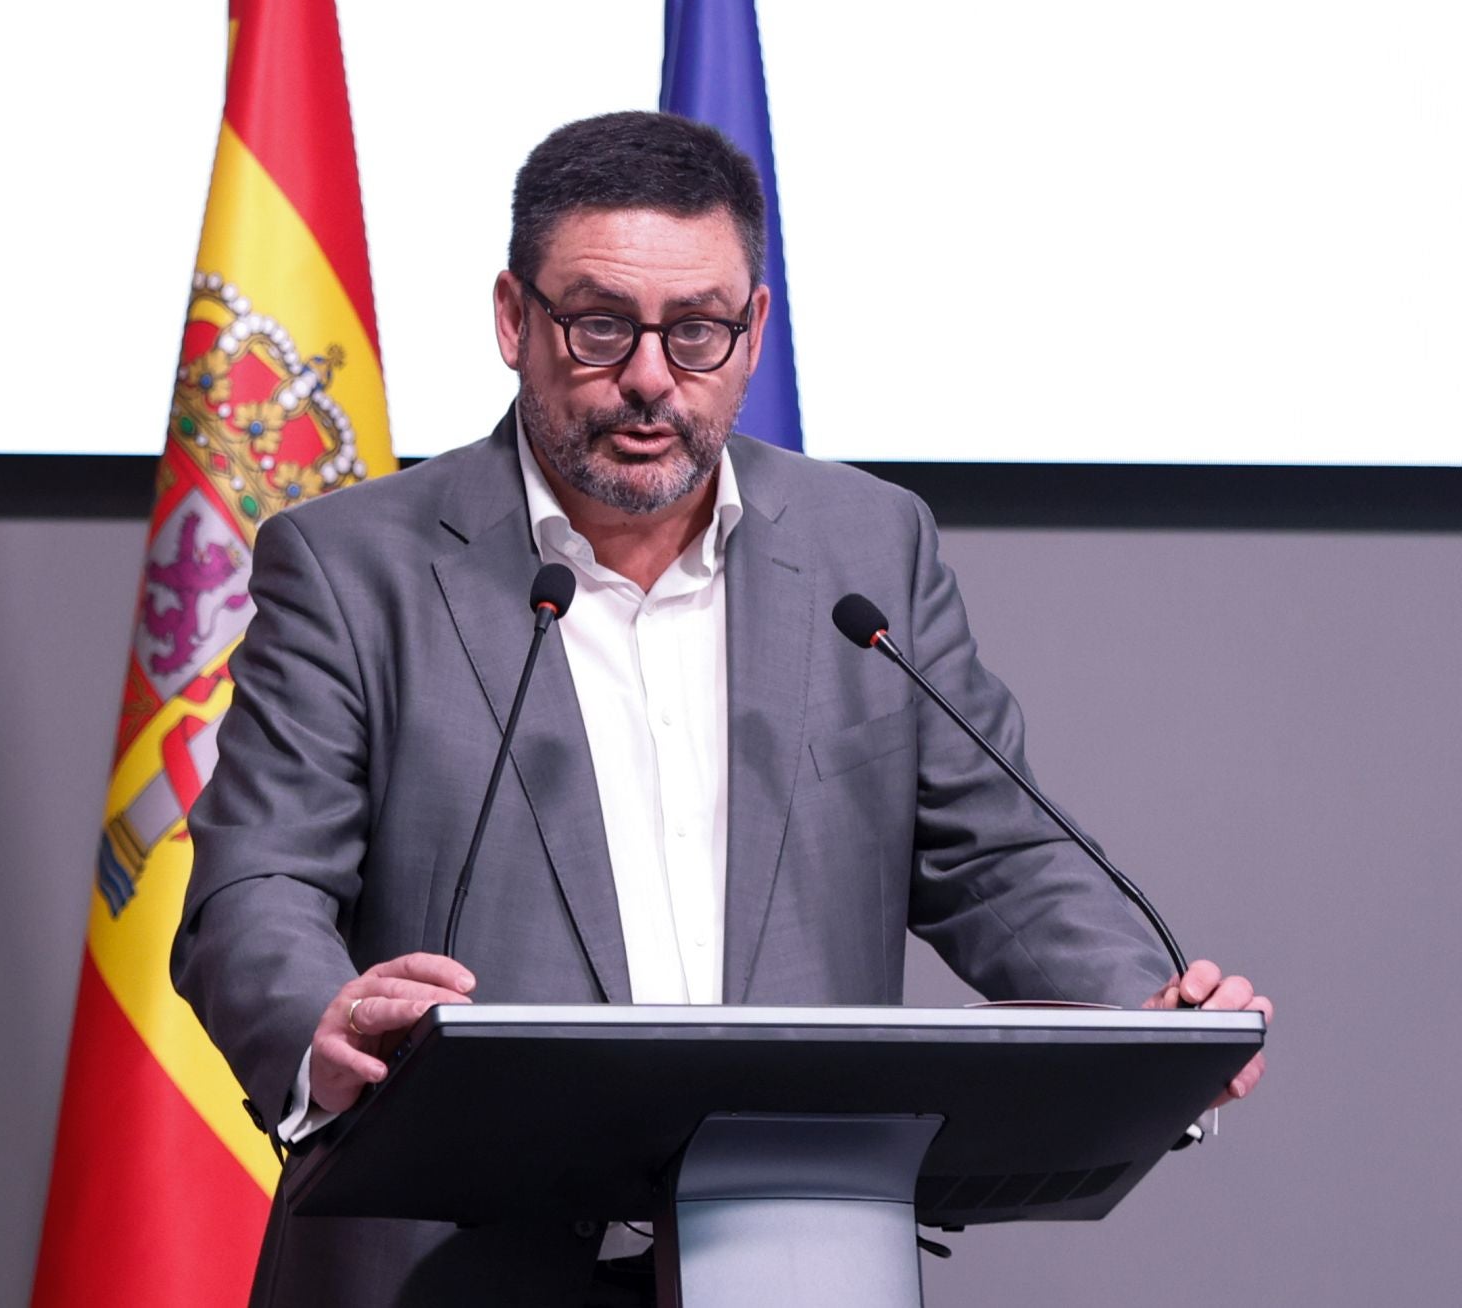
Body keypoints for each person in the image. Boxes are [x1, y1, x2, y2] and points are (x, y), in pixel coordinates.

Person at [173, 110, 1271, 1308]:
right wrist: (318, 1022)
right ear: (513, 320)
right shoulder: (351, 566)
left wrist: (1145, 1015)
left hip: (799, 1257)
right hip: (450, 1266)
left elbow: (999, 861)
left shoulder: (869, 547)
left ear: (753, 333)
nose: (649, 376)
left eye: (695, 330)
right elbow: (253, 889)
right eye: (600, 325)